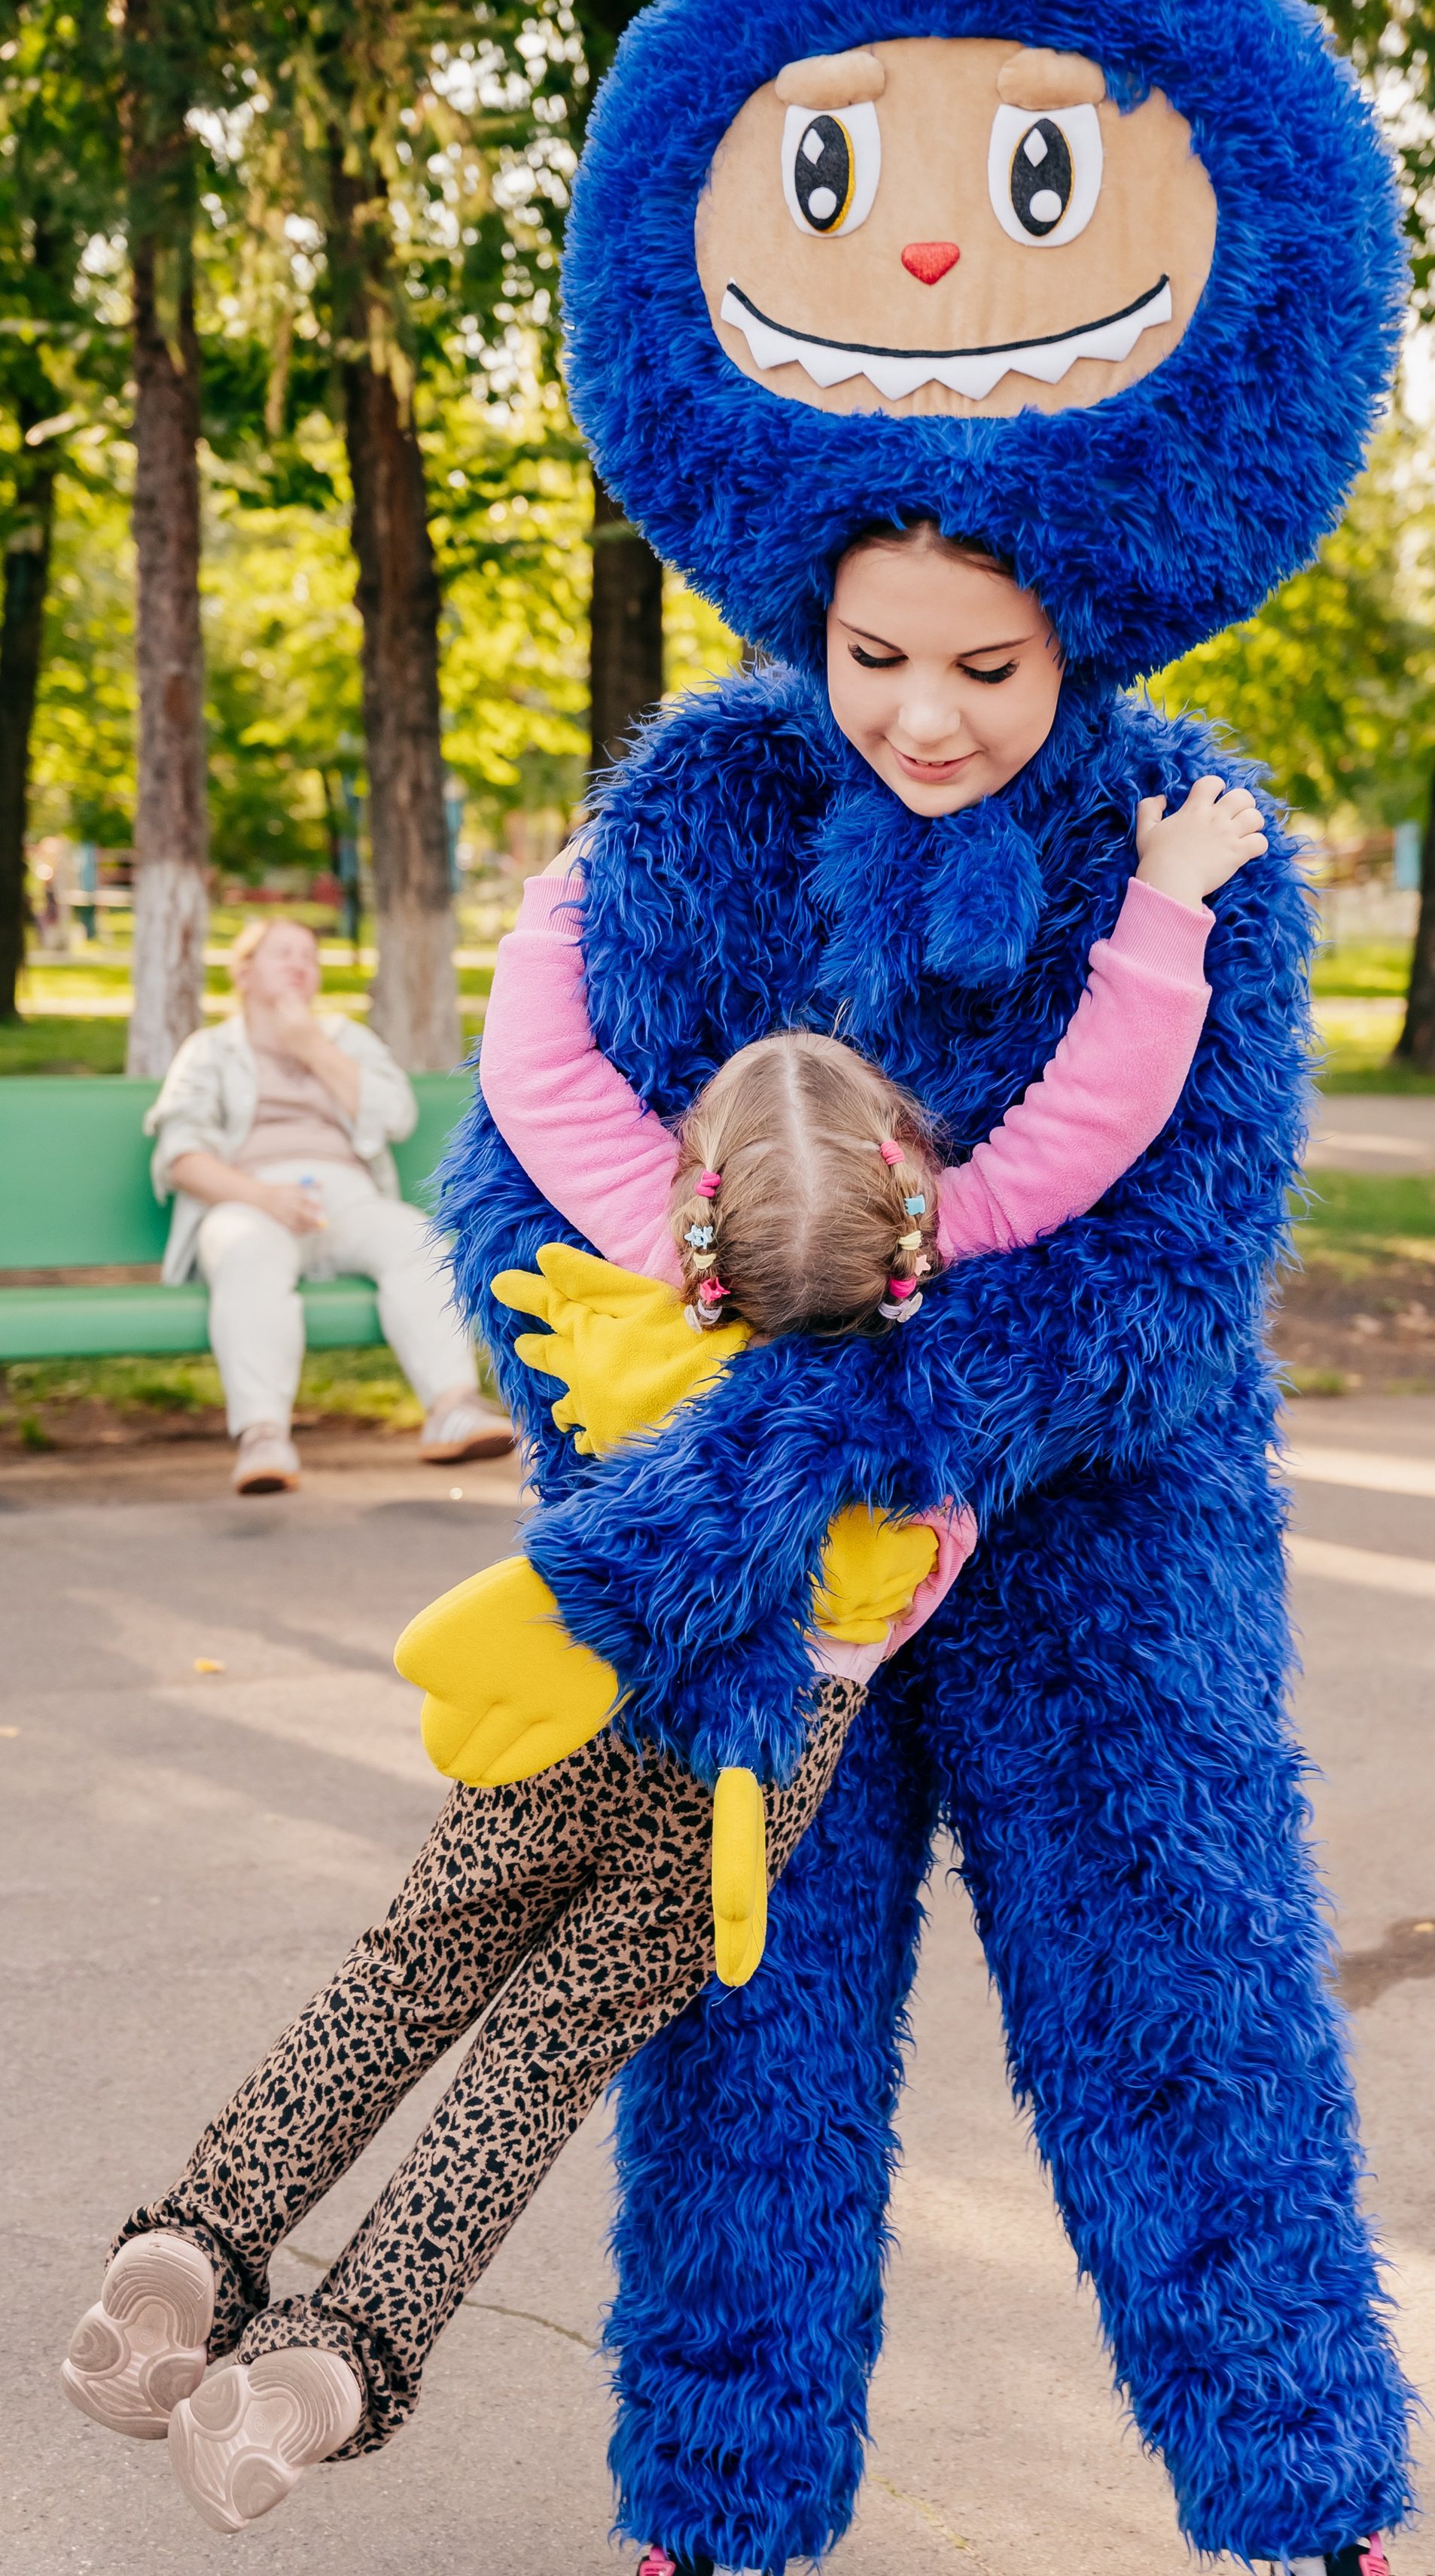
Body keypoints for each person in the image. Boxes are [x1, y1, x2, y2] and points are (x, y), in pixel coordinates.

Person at [58, 763, 1263, 2540]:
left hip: (596, 1695)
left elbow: (537, 1072)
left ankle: (193, 2238)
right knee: (539, 2057)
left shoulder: (643, 1280)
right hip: (757, 1784)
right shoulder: (948, 1347)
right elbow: (1095, 1110)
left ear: (694, 1215)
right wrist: (1163, 900)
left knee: (404, 1972)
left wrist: (561, 893)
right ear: (911, 1191)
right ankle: (328, 2364)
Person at [143, 916, 511, 1492]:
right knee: (246, 1255)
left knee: (414, 1241)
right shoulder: (209, 1050)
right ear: (242, 972)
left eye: (309, 957)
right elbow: (181, 1157)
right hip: (249, 1201)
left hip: (347, 1198)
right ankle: (265, 1438)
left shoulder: (344, 1040)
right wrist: (263, 1197)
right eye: (281, 953)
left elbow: (395, 1116)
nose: (298, 965)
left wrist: (310, 1047)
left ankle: (454, 1407)